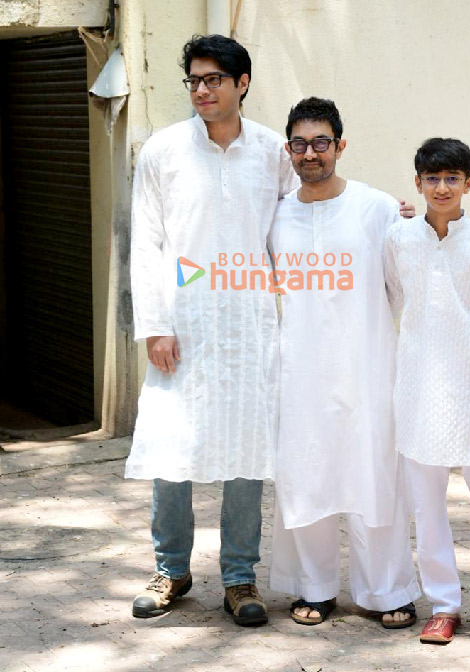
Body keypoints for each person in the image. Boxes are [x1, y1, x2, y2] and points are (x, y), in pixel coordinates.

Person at [126, 34, 298, 625]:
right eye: (194, 81)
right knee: (173, 448)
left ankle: (240, 578)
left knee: (247, 449)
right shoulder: (164, 150)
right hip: (185, 323)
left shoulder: (274, 153)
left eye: (213, 80)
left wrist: (396, 221)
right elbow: (146, 244)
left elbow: (308, 222)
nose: (201, 90)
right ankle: (171, 569)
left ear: (241, 83)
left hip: (251, 327)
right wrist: (154, 325)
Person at [268, 97, 422, 628]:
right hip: (300, 370)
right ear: (288, 148)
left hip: (367, 366)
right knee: (306, 471)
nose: (310, 153)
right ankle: (313, 586)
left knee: (373, 475)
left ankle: (387, 590)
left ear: (340, 145)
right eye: (300, 143)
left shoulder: (378, 207)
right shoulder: (276, 214)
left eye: (321, 142)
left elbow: (411, 274)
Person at [385, 138, 470, 644]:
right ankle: (443, 604)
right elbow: (387, 302)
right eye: (432, 178)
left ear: (469, 183)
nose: (442, 187)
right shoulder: (398, 241)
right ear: (417, 183)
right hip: (419, 392)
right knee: (427, 505)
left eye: (452, 178)